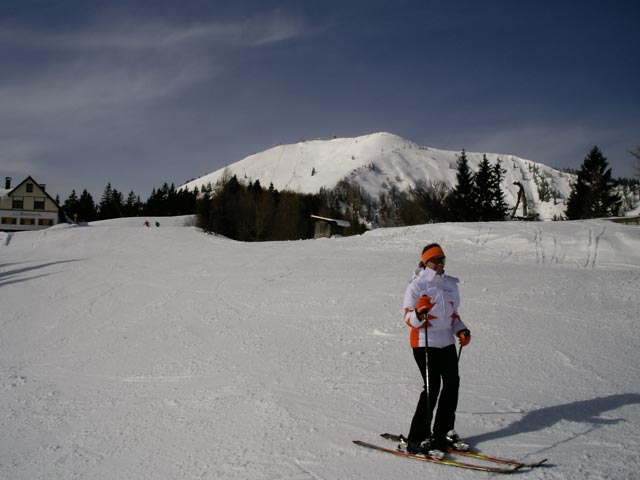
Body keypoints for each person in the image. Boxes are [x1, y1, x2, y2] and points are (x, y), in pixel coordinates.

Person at [403, 243, 471, 457]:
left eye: (442, 259)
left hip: (446, 342)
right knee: (432, 387)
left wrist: (461, 330)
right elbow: (408, 318)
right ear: (426, 262)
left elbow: (453, 316)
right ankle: (416, 438)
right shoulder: (416, 286)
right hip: (424, 342)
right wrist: (419, 313)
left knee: (452, 384)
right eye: (436, 260)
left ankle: (442, 433)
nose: (440, 263)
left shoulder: (450, 285)